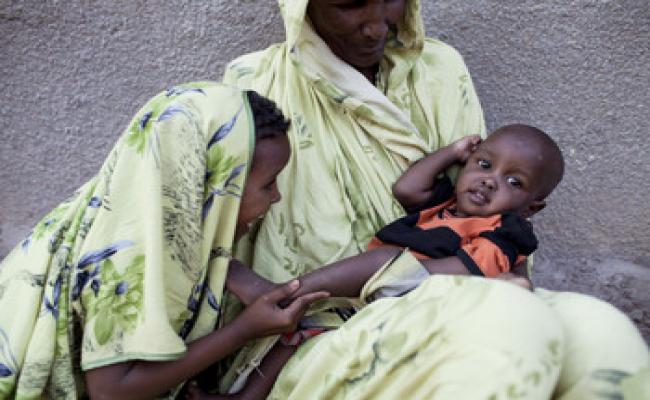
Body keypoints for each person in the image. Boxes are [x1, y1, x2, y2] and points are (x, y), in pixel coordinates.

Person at [219, 0, 649, 398]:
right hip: (335, 318)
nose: (375, 27)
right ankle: (288, 296)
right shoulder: (255, 81)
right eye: (350, 4)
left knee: (603, 332)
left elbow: (499, 234)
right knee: (514, 329)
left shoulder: (440, 69)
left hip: (445, 287)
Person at [185, 124, 565, 400]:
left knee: (381, 260)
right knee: (306, 328)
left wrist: (396, 271)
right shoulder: (445, 203)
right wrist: (451, 152)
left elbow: (471, 271)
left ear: (532, 206)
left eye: (514, 182)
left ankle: (277, 292)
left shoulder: (507, 230)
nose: (489, 182)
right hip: (380, 292)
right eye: (484, 164)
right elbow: (406, 188)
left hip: (427, 291)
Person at [0, 84, 329, 399]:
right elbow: (111, 391)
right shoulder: (130, 259)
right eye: (268, 185)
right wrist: (242, 331)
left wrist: (230, 271)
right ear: (212, 186)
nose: (276, 198)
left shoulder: (139, 213)